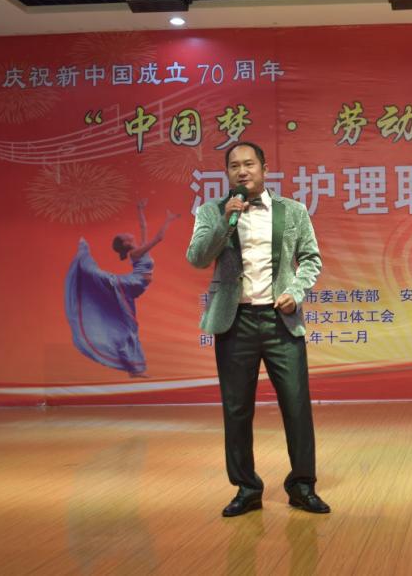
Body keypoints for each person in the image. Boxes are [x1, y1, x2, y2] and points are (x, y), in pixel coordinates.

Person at [186, 141, 328, 517]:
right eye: (235, 166)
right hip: (235, 322)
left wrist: (296, 292)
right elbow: (197, 258)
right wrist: (224, 221)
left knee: (296, 406)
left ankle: (302, 485)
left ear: (264, 168)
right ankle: (247, 488)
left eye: (249, 164)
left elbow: (311, 258)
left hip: (281, 320)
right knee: (236, 410)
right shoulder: (212, 211)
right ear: (227, 173)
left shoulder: (292, 211)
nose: (242, 171)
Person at [65, 199, 178, 378]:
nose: (128, 233)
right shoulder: (136, 253)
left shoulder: (140, 249)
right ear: (126, 243)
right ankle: (84, 259)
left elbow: (143, 227)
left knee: (130, 326)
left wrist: (140, 209)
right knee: (128, 325)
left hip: (133, 287)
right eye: (125, 235)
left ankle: (134, 368)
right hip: (129, 285)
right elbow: (159, 238)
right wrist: (168, 220)